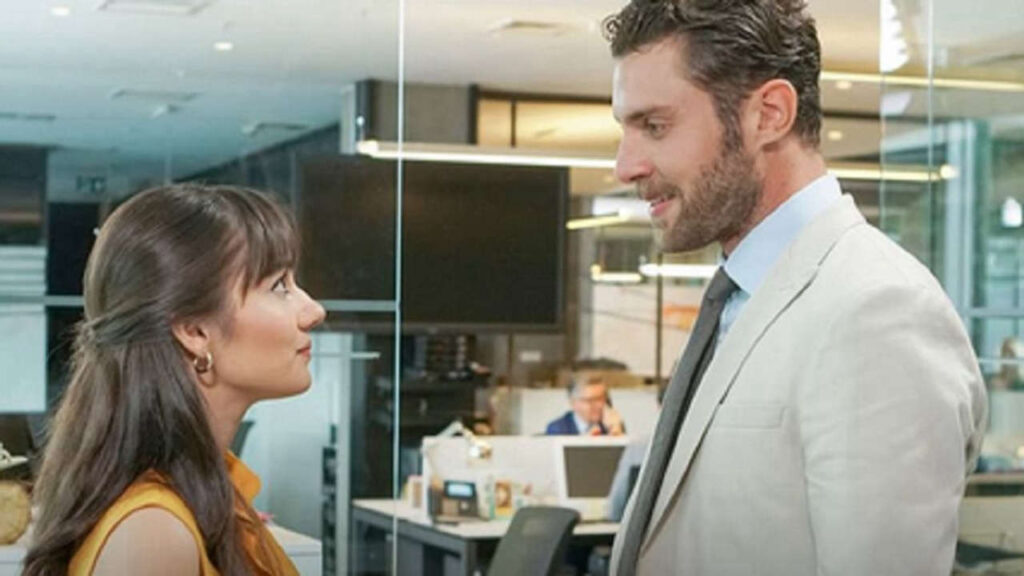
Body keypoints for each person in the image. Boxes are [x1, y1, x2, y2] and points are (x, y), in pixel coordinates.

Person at [603, 2, 987, 575]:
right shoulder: (740, 296)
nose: (625, 166)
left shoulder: (877, 310)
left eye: (654, 126)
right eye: (625, 130)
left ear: (769, 114)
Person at [23, 184, 326, 576]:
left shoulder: (205, 498)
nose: (314, 310)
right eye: (279, 286)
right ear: (194, 331)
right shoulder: (154, 534)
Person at [545, 374, 625, 436]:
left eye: (600, 399)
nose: (599, 405)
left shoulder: (612, 423)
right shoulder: (558, 428)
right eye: (590, 400)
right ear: (573, 403)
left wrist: (616, 432)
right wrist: (587, 441)